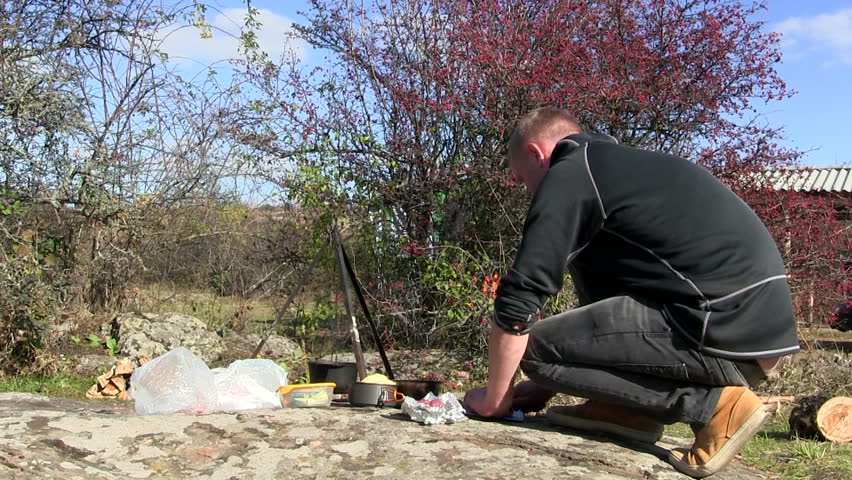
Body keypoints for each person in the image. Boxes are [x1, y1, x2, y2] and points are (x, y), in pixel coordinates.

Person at [463, 107, 799, 478]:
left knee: (535, 348)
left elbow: (520, 300)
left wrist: (496, 399)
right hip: (754, 337)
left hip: (717, 327)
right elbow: (608, 311)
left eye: (523, 180)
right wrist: (546, 384)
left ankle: (714, 407)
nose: (528, 191)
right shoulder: (621, 172)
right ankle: (630, 412)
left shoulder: (571, 173)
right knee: (543, 356)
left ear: (535, 153)